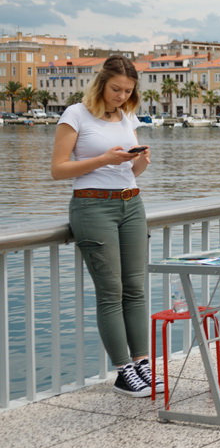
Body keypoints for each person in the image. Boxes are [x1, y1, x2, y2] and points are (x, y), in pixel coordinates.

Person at [51, 56, 157, 397]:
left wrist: (139, 162)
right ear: (100, 83)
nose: (121, 96)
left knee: (135, 288)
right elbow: (58, 169)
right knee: (111, 291)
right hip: (92, 206)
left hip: (131, 203)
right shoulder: (75, 115)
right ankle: (124, 371)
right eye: (116, 89)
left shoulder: (127, 116)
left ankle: (142, 363)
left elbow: (128, 172)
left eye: (128, 91)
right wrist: (103, 160)